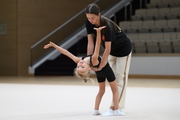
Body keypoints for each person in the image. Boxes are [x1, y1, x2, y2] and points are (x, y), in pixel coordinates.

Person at [43, 26, 124, 116]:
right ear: (88, 68)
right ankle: (116, 111)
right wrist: (98, 33)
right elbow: (97, 46)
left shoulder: (79, 60)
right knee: (115, 89)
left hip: (99, 73)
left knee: (101, 91)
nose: (80, 65)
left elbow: (66, 52)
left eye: (78, 67)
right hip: (106, 71)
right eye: (82, 67)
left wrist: (54, 46)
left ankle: (95, 110)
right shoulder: (94, 60)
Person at [85, 3, 132, 116]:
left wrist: (102, 64)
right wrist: (89, 61)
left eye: (93, 18)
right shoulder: (89, 23)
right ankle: (115, 106)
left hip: (123, 50)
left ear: (99, 15)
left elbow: (107, 49)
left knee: (119, 78)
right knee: (109, 76)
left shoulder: (108, 26)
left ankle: (116, 107)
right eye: (88, 18)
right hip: (112, 52)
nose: (90, 20)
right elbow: (90, 43)